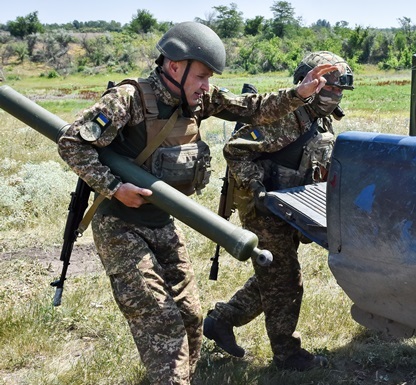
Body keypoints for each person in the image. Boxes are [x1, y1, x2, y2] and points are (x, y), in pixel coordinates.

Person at [57, 22, 337, 385]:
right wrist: (113, 187)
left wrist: (299, 94)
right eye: (202, 76)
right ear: (175, 66)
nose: (207, 86)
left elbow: (252, 109)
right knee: (161, 319)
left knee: (190, 316)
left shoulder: (198, 99)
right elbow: (71, 142)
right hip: (120, 225)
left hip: (164, 221)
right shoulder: (129, 99)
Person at [203, 51, 354, 371]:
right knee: (287, 280)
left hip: (295, 207)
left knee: (272, 277)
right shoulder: (284, 116)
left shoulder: (322, 118)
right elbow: (235, 150)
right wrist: (256, 188)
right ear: (307, 82)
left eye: (339, 90)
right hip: (265, 209)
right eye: (328, 88)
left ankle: (221, 320)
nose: (334, 94)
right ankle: (287, 354)